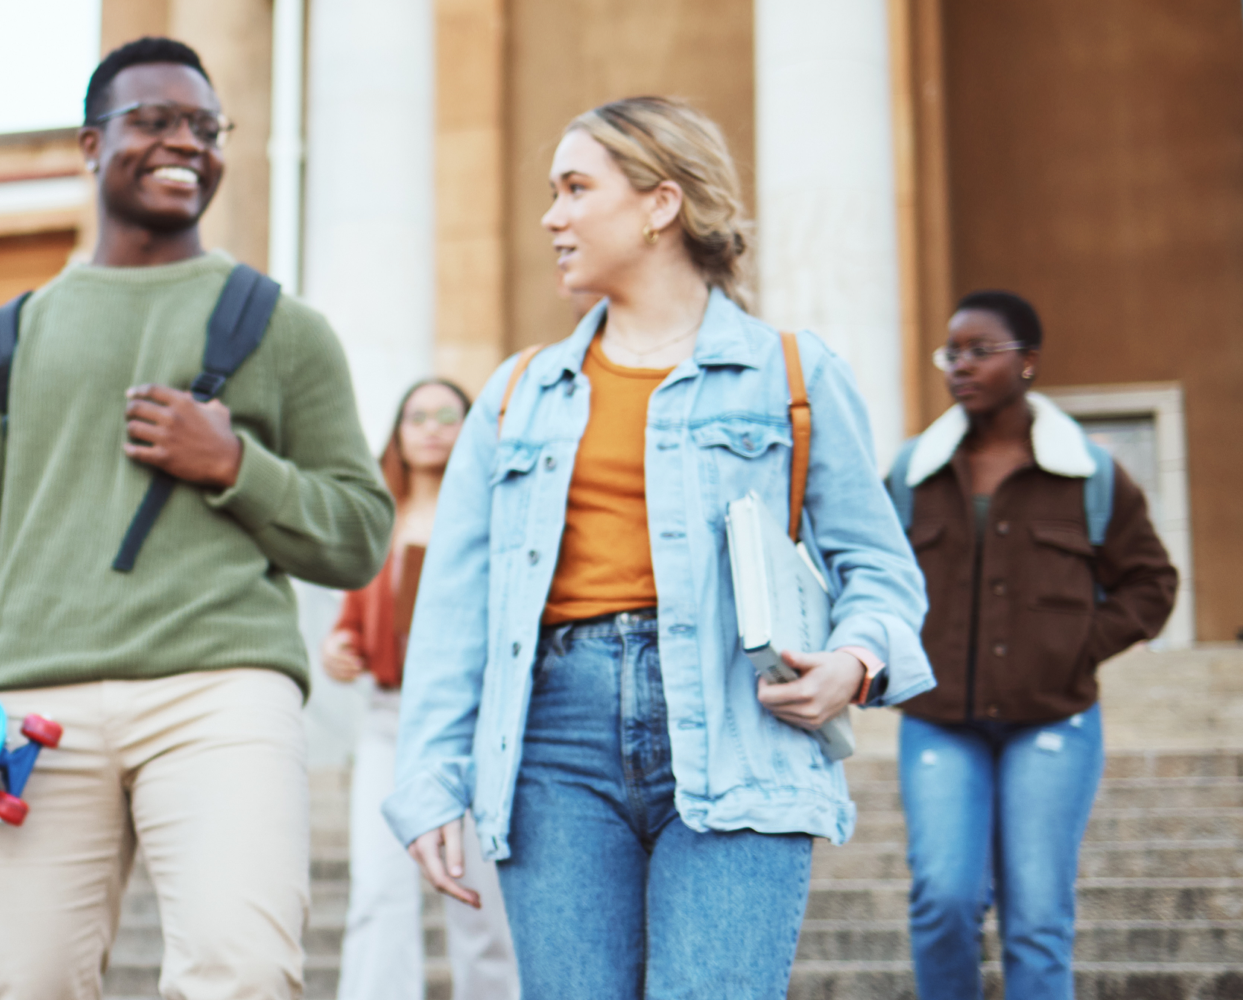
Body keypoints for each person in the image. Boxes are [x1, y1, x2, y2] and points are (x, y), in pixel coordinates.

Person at [384, 96, 932, 998]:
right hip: (553, 745)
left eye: (575, 188)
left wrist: (857, 659)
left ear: (659, 204)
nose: (552, 216)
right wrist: (432, 778)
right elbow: (454, 613)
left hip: (740, 727)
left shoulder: (790, 374)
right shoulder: (520, 395)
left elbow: (879, 567)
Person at [0, 37, 391, 1000]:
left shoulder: (284, 328)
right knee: (20, 985)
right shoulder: (8, 336)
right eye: (154, 121)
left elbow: (361, 529)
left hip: (222, 691)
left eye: (206, 126)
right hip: (34, 712)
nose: (185, 143)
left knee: (243, 972)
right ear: (90, 145)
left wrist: (236, 464)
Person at [891, 290, 1176, 1000]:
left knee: (1038, 919)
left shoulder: (1092, 476)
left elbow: (1152, 583)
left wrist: (1078, 644)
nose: (959, 365)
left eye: (978, 350)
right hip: (939, 720)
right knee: (943, 899)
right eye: (950, 352)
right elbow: (869, 575)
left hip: (1054, 717)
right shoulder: (908, 475)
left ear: (1028, 364)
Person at [325, 378, 516, 1000]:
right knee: (378, 891)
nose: (432, 427)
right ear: (398, 436)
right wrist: (338, 650)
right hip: (389, 719)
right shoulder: (377, 523)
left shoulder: (495, 517)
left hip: (477, 726)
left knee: (479, 895)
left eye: (447, 415)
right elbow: (348, 626)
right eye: (416, 417)